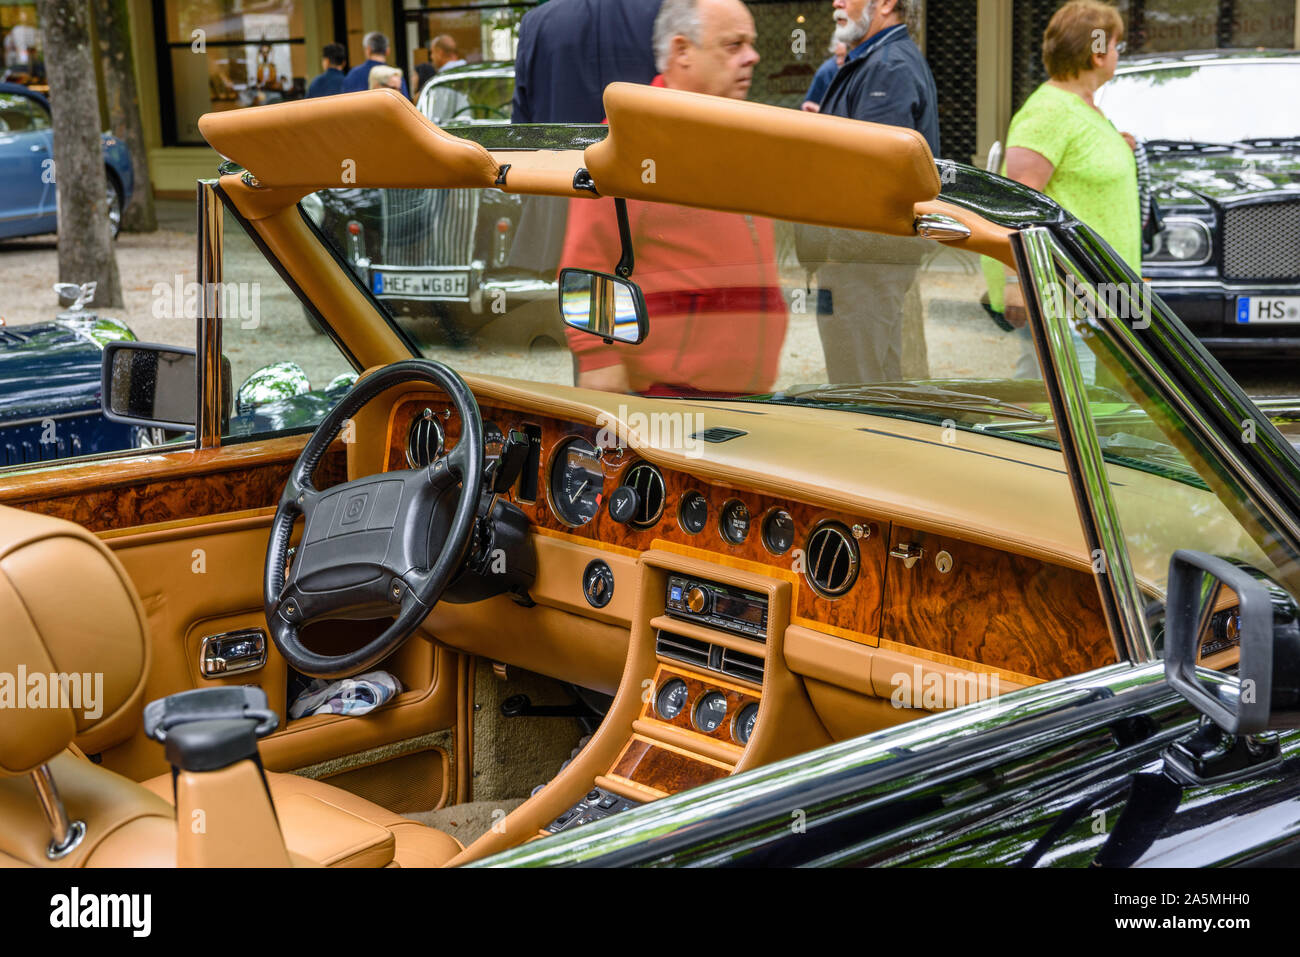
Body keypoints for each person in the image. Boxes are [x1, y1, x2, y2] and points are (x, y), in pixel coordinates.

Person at [560, 0, 787, 396]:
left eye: (751, 43)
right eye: (734, 45)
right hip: (667, 400)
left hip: (747, 397)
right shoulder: (631, 138)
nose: (753, 57)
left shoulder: (739, 128)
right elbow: (588, 264)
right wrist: (600, 364)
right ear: (682, 51)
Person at [803, 0, 938, 385]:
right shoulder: (877, 60)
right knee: (876, 388)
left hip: (861, 266)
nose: (836, 3)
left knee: (857, 396)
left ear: (886, 3)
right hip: (863, 265)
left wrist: (832, 253)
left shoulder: (887, 67)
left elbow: (873, 184)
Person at [506, 0, 662, 278]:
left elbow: (521, 129)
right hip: (643, 206)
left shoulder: (536, 22)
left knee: (562, 313)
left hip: (556, 207)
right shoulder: (662, 11)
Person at [342, 32, 408, 97]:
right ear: (388, 51)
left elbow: (345, 101)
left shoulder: (354, 74)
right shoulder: (396, 75)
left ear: (368, 50)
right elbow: (405, 103)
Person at [801, 41, 846, 113]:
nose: (839, 61)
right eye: (837, 56)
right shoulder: (825, 71)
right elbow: (808, 104)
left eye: (843, 56)